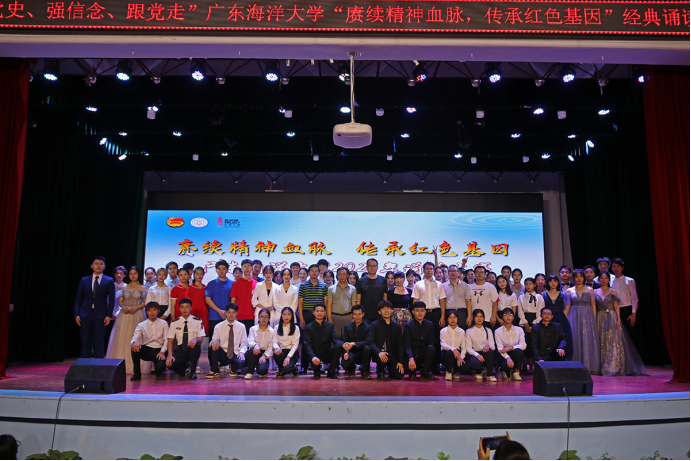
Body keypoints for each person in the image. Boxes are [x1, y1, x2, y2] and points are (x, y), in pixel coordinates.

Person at [595, 272, 647, 376]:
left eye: (606, 278)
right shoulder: (595, 291)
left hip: (611, 317)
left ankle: (613, 365)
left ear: (609, 279)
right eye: (602, 278)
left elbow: (616, 306)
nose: (604, 280)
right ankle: (602, 364)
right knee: (602, 340)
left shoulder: (613, 291)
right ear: (599, 279)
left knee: (613, 341)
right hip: (600, 318)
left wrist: (618, 319)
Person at [106, 266, 147, 374]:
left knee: (136, 336)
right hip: (125, 314)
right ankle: (120, 364)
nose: (133, 276)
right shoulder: (124, 287)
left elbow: (145, 302)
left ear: (138, 275)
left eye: (135, 273)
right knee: (122, 337)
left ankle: (136, 366)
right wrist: (123, 307)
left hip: (137, 314)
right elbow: (120, 301)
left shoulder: (142, 287)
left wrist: (136, 307)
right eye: (131, 274)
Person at [74, 256, 115, 359]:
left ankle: (99, 364)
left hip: (100, 315)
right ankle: (85, 364)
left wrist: (108, 315)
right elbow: (78, 298)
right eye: (96, 263)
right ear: (92, 266)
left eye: (101, 264)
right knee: (85, 340)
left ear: (104, 266)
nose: (98, 266)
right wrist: (76, 314)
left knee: (99, 341)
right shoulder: (84, 280)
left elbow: (111, 300)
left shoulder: (109, 280)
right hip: (85, 313)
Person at [412, 262, 446, 371]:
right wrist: (415, 315)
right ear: (423, 270)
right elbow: (415, 301)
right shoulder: (418, 284)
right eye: (427, 268)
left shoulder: (439, 284)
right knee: (421, 339)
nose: (429, 270)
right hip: (422, 314)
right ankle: (420, 364)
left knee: (435, 339)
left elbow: (442, 301)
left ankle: (435, 365)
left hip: (436, 313)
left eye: (431, 268)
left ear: (434, 270)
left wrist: (442, 316)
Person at [566, 269, 600, 373]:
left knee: (586, 339)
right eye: (576, 277)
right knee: (575, 339)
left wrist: (594, 320)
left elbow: (593, 305)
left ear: (584, 278)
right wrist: (566, 320)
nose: (579, 279)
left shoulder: (590, 290)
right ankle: (575, 366)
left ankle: (588, 365)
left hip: (587, 316)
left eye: (581, 276)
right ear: (574, 278)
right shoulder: (569, 291)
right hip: (574, 316)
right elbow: (567, 306)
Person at [297, 264, 328, 374]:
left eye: (316, 271)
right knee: (306, 341)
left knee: (319, 342)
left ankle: (318, 365)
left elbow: (325, 303)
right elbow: (300, 303)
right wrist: (301, 318)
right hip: (306, 315)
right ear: (309, 273)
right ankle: (304, 366)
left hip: (319, 316)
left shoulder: (324, 286)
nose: (314, 272)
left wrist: (325, 317)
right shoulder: (303, 285)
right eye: (312, 271)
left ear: (319, 272)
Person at [166, 298, 205, 379]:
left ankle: (193, 371)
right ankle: (183, 368)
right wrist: (169, 355)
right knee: (170, 364)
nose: (184, 309)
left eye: (187, 307)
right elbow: (170, 340)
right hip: (181, 349)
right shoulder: (174, 323)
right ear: (179, 309)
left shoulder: (197, 321)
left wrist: (195, 339)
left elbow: (201, 339)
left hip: (192, 347)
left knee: (195, 347)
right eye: (182, 307)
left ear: (191, 308)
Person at [205, 260, 233, 368]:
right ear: (216, 270)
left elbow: (233, 300)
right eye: (219, 269)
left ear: (227, 270)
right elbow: (208, 299)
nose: (221, 271)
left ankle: (225, 363)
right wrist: (219, 311)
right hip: (214, 317)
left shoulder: (232, 284)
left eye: (223, 269)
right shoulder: (211, 284)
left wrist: (227, 312)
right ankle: (213, 365)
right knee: (213, 341)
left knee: (227, 340)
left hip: (228, 317)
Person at [367, 300, 406, 379]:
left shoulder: (396, 326)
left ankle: (390, 370)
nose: (386, 311)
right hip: (379, 353)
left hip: (392, 354)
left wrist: (400, 362)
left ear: (391, 310)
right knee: (381, 372)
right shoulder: (375, 324)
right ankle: (380, 370)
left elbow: (400, 345)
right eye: (383, 309)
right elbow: (370, 341)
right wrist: (379, 352)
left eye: (388, 308)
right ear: (379, 312)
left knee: (399, 375)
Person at [130, 302, 168, 380]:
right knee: (134, 348)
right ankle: (137, 373)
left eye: (154, 310)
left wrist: (162, 351)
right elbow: (135, 337)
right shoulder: (141, 325)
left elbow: (166, 339)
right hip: (147, 349)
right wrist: (135, 342)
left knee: (161, 367)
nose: (152, 312)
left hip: (159, 349)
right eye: (149, 310)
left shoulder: (164, 323)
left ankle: (158, 370)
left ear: (158, 311)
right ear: (146, 312)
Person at [207, 303, 247, 378]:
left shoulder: (241, 326)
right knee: (212, 347)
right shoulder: (219, 326)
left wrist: (242, 352)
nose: (231, 314)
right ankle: (214, 370)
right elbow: (214, 340)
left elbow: (244, 343)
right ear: (225, 313)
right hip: (223, 353)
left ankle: (233, 369)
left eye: (233, 312)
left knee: (241, 362)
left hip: (235, 352)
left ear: (236, 313)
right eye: (229, 312)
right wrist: (214, 342)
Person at [303, 304, 341, 378]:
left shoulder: (330, 325)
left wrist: (343, 345)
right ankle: (317, 370)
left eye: (321, 311)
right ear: (314, 313)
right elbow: (307, 345)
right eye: (317, 311)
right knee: (316, 375)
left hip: (326, 354)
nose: (319, 313)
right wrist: (313, 357)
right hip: (315, 356)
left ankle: (331, 373)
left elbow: (335, 340)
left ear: (325, 313)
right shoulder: (308, 327)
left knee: (338, 349)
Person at [541, 274, 573, 360]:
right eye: (550, 281)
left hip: (561, 319)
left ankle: (563, 358)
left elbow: (566, 309)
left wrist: (566, 320)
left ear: (558, 282)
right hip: (548, 319)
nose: (553, 283)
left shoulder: (563, 294)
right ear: (548, 283)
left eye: (555, 281)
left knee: (562, 337)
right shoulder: (543, 294)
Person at [402, 301, 437, 380]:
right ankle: (412, 371)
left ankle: (425, 372)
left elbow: (431, 342)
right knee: (412, 376)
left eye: (422, 310)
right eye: (417, 310)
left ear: (425, 312)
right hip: (411, 354)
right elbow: (407, 344)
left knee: (431, 348)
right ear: (413, 312)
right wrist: (411, 358)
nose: (420, 313)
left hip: (422, 353)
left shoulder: (429, 324)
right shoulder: (408, 325)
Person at [610, 258, 639, 347]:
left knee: (630, 335)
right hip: (615, 310)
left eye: (618, 266)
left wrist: (633, 313)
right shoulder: (610, 282)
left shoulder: (629, 280)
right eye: (614, 266)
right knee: (618, 335)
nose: (616, 268)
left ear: (622, 268)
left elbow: (634, 298)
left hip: (627, 309)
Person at [517, 277, 544, 373]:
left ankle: (535, 366)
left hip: (536, 320)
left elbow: (540, 310)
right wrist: (525, 323)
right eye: (526, 284)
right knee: (525, 342)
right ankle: (525, 365)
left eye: (530, 284)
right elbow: (520, 311)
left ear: (534, 285)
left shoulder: (539, 297)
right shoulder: (521, 297)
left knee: (535, 343)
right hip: (525, 320)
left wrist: (535, 324)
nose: (528, 286)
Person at [340, 305, 372, 379]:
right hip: (351, 352)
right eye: (355, 314)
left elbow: (368, 341)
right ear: (352, 315)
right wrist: (346, 349)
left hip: (362, 353)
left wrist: (354, 344)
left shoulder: (368, 327)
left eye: (359, 314)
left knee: (368, 348)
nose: (357, 316)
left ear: (363, 314)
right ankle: (351, 370)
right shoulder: (347, 326)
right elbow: (344, 340)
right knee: (345, 364)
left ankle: (365, 371)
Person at [494, 308, 526, 381]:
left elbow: (523, 345)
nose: (508, 317)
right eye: (505, 315)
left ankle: (516, 372)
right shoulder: (498, 331)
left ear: (513, 317)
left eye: (510, 315)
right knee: (506, 368)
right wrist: (508, 358)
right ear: (502, 317)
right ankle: (505, 371)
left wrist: (510, 348)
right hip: (503, 354)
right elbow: (500, 349)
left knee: (518, 351)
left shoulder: (519, 329)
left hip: (515, 353)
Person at [465, 309, 497, 381]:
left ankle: (490, 375)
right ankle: (479, 371)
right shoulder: (469, 331)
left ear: (484, 318)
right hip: (475, 354)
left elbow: (493, 346)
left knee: (490, 352)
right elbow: (468, 348)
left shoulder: (488, 330)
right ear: (473, 318)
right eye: (477, 316)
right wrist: (477, 355)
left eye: (481, 317)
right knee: (476, 364)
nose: (479, 318)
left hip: (486, 353)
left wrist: (488, 346)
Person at [245, 308, 276, 379]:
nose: (263, 319)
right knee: (252, 351)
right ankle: (250, 372)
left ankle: (260, 368)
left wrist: (264, 356)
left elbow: (271, 346)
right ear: (258, 318)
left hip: (264, 353)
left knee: (262, 371)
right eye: (261, 316)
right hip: (254, 352)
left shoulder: (272, 331)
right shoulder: (253, 329)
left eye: (266, 317)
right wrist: (256, 345)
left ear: (269, 318)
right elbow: (249, 341)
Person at [327, 267, 357, 339]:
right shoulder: (331, 288)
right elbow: (329, 305)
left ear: (347, 275)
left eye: (344, 274)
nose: (342, 276)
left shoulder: (352, 289)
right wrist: (330, 319)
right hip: (335, 317)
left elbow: (354, 305)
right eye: (340, 274)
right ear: (337, 275)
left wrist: (353, 318)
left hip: (348, 317)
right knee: (335, 339)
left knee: (348, 339)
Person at [439, 310, 469, 380]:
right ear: (447, 319)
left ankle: (456, 371)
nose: (453, 319)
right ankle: (448, 371)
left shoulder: (461, 331)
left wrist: (461, 358)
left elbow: (463, 347)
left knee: (465, 367)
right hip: (446, 354)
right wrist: (453, 349)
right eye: (450, 317)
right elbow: (443, 345)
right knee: (449, 353)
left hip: (458, 355)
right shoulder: (443, 331)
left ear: (457, 318)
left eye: (454, 317)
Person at [356, 258, 388, 324]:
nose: (372, 268)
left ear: (377, 267)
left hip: (379, 315)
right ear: (366, 267)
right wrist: (358, 314)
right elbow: (358, 301)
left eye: (374, 266)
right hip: (365, 316)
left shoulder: (383, 280)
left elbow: (385, 300)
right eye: (370, 265)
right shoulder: (361, 281)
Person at [230, 259, 258, 333]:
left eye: (249, 266)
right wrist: (233, 315)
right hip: (239, 316)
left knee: (250, 338)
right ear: (241, 268)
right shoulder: (236, 283)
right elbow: (233, 301)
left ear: (252, 268)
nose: (247, 268)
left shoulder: (257, 284)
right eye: (245, 266)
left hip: (252, 316)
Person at [273, 306, 301, 378]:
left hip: (292, 353)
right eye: (284, 314)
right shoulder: (277, 327)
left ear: (292, 316)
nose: (286, 316)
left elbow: (295, 345)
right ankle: (280, 369)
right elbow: (274, 341)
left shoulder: (296, 328)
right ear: (281, 315)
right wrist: (277, 348)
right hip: (281, 352)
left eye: (289, 314)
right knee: (276, 353)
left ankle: (293, 368)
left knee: (287, 369)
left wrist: (288, 357)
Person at [443, 265, 472, 331]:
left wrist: (469, 317)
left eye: (454, 271)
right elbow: (442, 302)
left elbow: (468, 302)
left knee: (462, 333)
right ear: (448, 272)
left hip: (461, 313)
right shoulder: (443, 285)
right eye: (451, 271)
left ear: (458, 272)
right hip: (448, 313)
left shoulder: (465, 285)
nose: (453, 273)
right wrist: (443, 316)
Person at [251, 265, 280, 329]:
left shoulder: (277, 287)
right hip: (259, 312)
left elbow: (278, 301)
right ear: (264, 274)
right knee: (258, 331)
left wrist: (272, 307)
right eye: (266, 273)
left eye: (270, 273)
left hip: (271, 313)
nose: (268, 275)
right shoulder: (259, 285)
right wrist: (264, 308)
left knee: (271, 332)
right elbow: (254, 300)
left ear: (273, 274)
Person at [188, 267, 208, 334]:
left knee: (203, 332)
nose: (199, 276)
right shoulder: (190, 288)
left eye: (201, 274)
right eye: (197, 274)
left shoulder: (206, 287)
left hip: (204, 311)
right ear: (194, 274)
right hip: (193, 311)